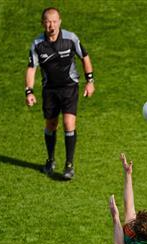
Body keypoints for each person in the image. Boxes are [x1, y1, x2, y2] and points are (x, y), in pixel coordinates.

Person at [25, 7, 95, 180]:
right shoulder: (37, 44)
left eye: (55, 21)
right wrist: (29, 91)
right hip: (50, 90)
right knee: (51, 125)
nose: (51, 25)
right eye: (48, 21)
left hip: (70, 87)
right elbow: (32, 68)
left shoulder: (71, 38)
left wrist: (90, 81)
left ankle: (69, 165)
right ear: (43, 23)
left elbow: (84, 57)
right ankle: (50, 160)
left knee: (68, 123)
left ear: (60, 22)